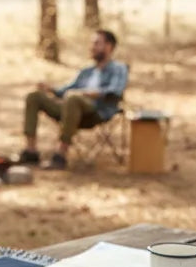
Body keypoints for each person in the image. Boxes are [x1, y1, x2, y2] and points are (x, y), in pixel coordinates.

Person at [19, 29, 128, 169]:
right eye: (92, 44)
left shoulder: (118, 68)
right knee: (34, 96)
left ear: (109, 46)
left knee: (73, 98)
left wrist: (88, 94)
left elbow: (115, 91)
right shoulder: (87, 71)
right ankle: (31, 151)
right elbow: (65, 91)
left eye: (96, 43)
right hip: (70, 109)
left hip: (96, 111)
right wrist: (50, 88)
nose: (92, 47)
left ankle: (60, 155)